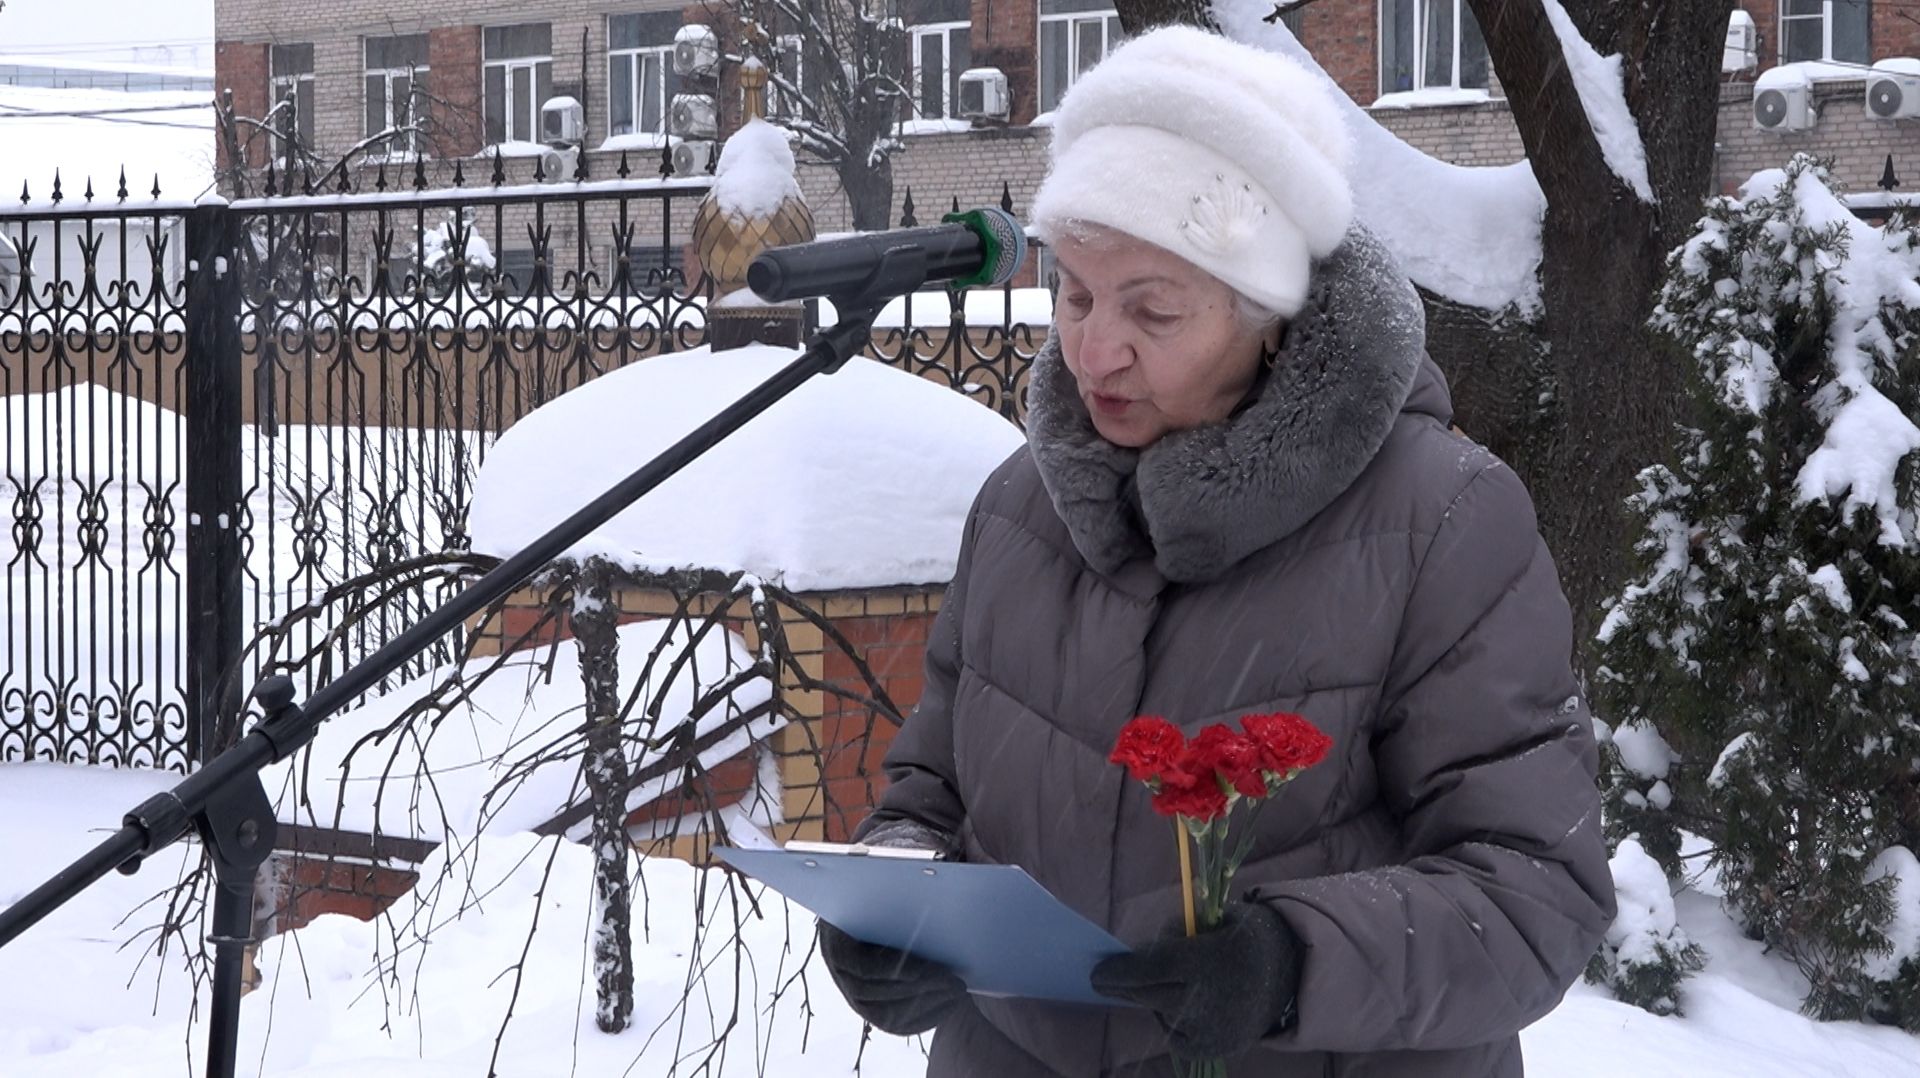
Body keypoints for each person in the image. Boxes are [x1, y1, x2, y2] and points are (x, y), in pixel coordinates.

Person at [818, 25, 1614, 1078]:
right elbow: (934, 787)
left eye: (1152, 309)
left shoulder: (1445, 523)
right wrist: (893, 898)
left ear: (1269, 317)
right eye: (1077, 295)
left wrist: (1292, 964)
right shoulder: (1022, 503)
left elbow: (1537, 892)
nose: (1096, 350)